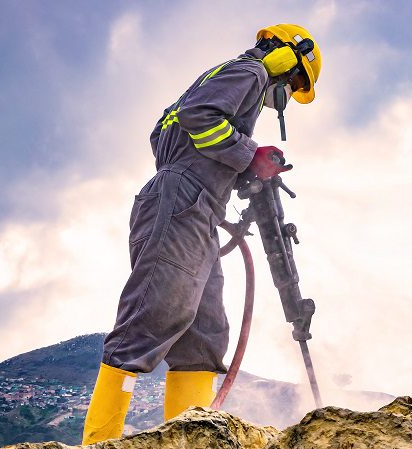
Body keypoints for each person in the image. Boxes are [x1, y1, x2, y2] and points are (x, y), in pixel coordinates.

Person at [81, 24, 322, 445]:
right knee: (151, 318)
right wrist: (249, 153)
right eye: (292, 84)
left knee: (204, 336)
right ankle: (99, 442)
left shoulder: (222, 79)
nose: (280, 97)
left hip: (198, 209)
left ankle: (187, 441)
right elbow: (199, 118)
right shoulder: (251, 72)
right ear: (285, 57)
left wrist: (239, 168)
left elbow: (165, 132)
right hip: (183, 202)